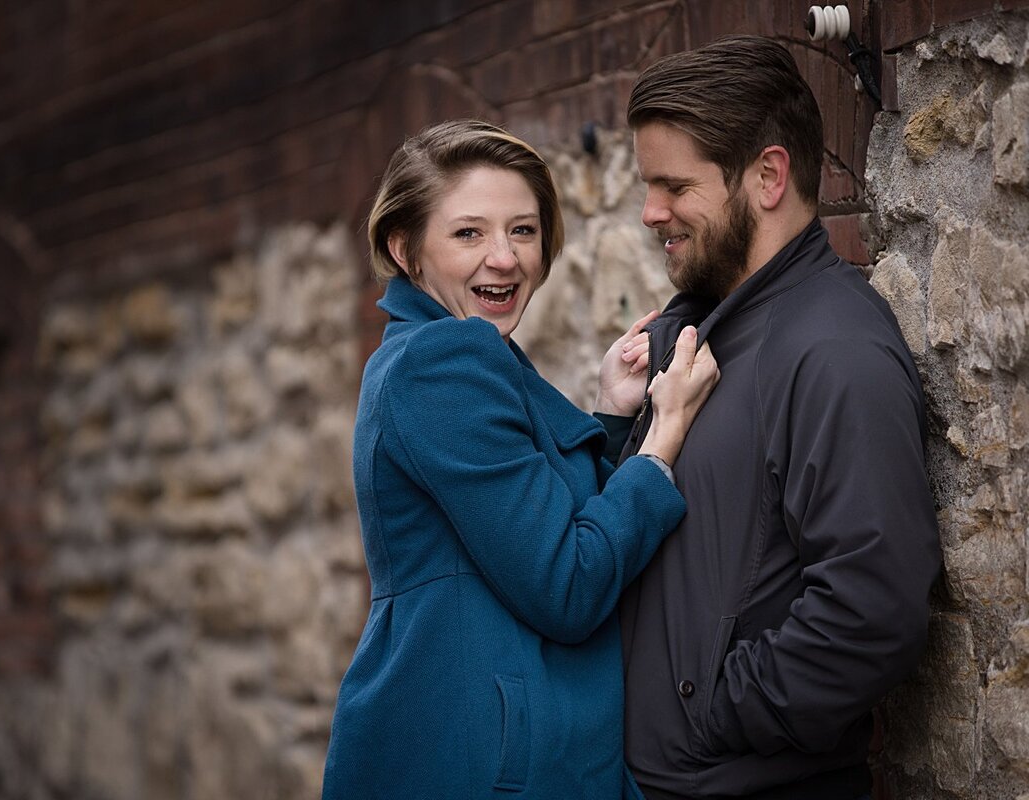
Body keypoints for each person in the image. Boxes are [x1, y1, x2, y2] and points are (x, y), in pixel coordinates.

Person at [322, 119, 719, 800]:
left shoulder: (457, 354)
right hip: (479, 760)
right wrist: (662, 440)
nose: (503, 259)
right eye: (468, 233)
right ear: (405, 248)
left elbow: (541, 526)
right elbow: (568, 583)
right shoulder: (443, 362)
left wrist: (611, 413)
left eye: (524, 231)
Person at [615, 35, 942, 800]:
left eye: (672, 187)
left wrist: (714, 716)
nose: (648, 212)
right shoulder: (702, 332)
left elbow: (871, 610)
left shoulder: (835, 350)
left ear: (767, 175)